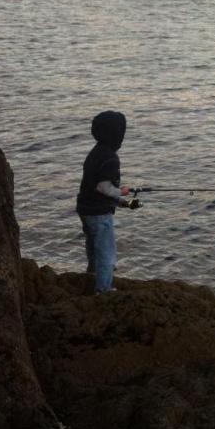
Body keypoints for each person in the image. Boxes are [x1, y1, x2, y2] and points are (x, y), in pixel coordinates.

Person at [75, 111, 133, 293]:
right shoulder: (110, 158)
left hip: (85, 209)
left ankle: (92, 276)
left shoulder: (95, 152)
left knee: (93, 248)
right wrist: (121, 191)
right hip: (99, 214)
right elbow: (103, 187)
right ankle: (104, 290)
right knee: (107, 254)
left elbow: (93, 186)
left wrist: (121, 202)